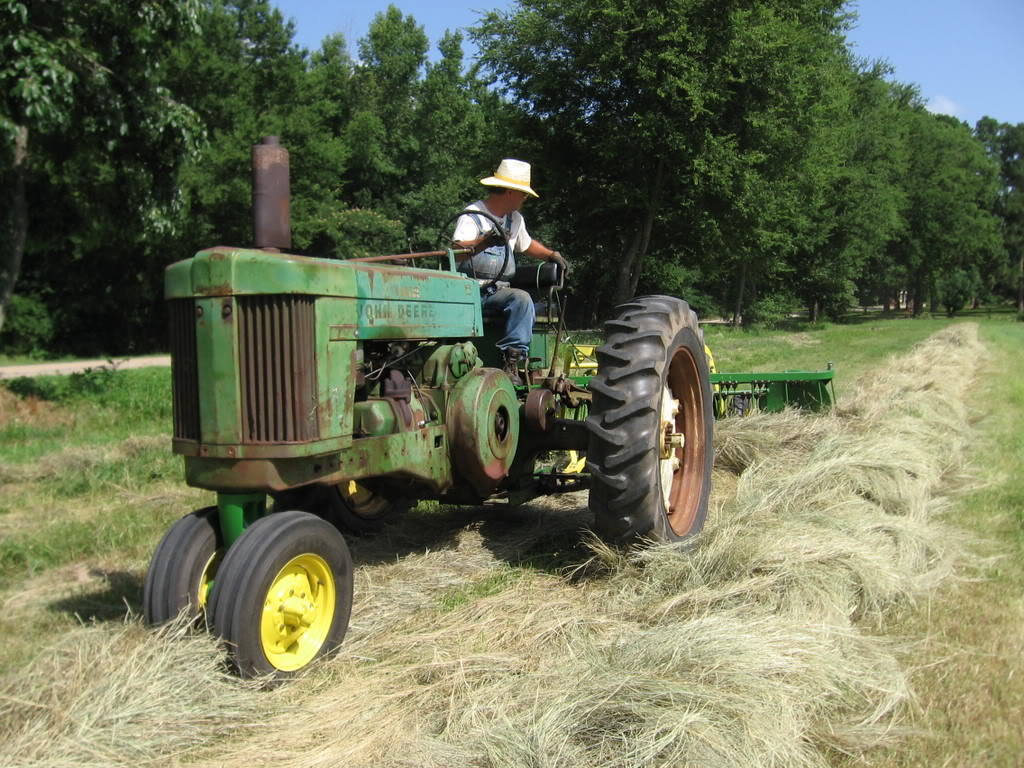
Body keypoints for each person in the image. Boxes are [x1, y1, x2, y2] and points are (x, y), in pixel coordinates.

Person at [452, 158, 569, 382]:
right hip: (468, 292)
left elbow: (525, 244)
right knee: (522, 298)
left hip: (497, 292)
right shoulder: (472, 216)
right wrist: (484, 241)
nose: (525, 199)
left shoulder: (514, 219)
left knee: (520, 299)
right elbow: (456, 251)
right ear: (511, 192)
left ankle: (512, 360)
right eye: (523, 194)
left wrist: (551, 255)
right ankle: (510, 359)